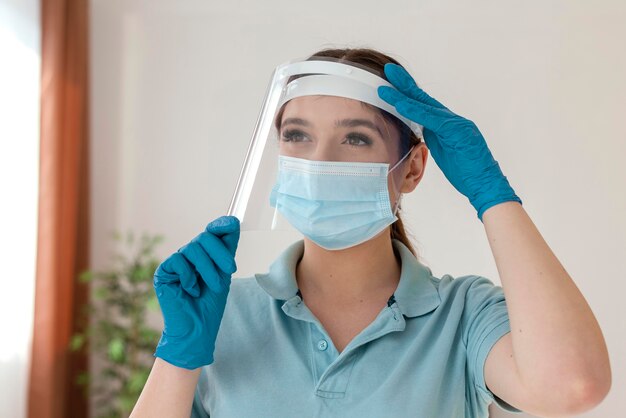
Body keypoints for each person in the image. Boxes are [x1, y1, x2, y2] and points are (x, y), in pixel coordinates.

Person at [130, 48, 611, 418]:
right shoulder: (223, 315)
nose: (318, 161)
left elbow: (572, 387)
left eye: (356, 138)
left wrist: (491, 195)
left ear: (412, 169)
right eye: (297, 135)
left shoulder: (464, 317)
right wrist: (180, 355)